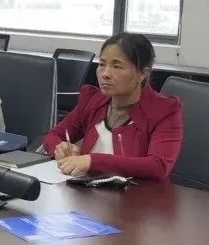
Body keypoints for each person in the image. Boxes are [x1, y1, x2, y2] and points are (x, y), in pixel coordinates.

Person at [42, 32, 183, 181]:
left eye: (117, 66)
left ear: (142, 74)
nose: (105, 74)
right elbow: (52, 136)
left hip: (138, 194)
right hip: (86, 189)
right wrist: (60, 148)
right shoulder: (93, 101)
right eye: (102, 64)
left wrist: (92, 161)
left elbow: (157, 166)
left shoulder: (164, 111)